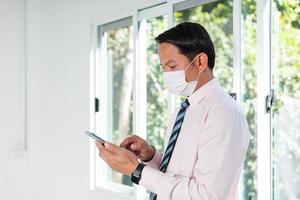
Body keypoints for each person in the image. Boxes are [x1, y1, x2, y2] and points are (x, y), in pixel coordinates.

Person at [96, 22, 250, 200]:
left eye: (172, 66)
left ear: (200, 61)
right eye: (163, 68)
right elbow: (178, 176)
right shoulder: (185, 110)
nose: (167, 75)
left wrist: (136, 170)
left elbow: (206, 195)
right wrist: (151, 156)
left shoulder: (224, 113)